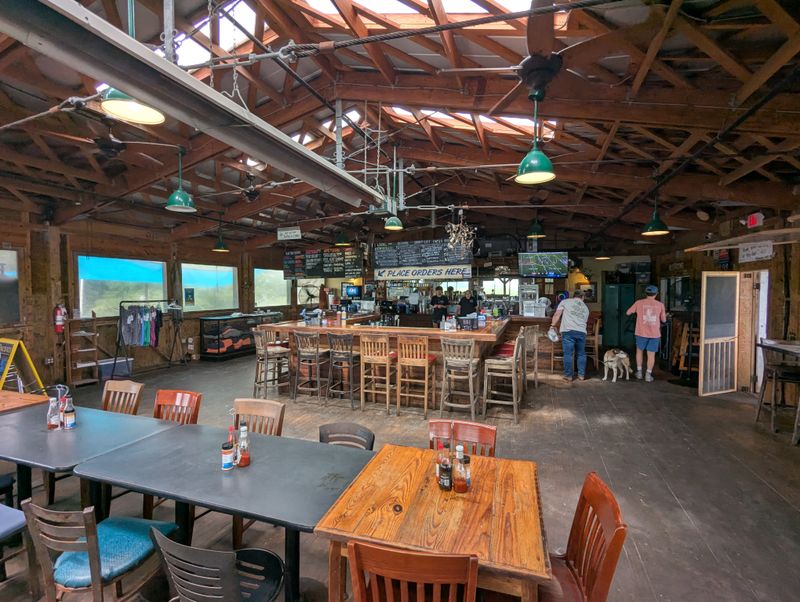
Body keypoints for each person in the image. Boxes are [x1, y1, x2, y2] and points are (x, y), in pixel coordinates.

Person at [626, 284, 667, 382]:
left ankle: (639, 373)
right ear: (656, 294)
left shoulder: (638, 303)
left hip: (641, 332)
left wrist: (637, 312)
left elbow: (628, 312)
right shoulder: (660, 305)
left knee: (639, 352)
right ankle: (648, 375)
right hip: (654, 334)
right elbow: (664, 320)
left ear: (646, 293)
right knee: (651, 354)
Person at [550, 290, 590, 382]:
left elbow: (557, 315)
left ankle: (568, 376)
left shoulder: (565, 301)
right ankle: (581, 375)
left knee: (568, 354)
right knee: (581, 354)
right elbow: (585, 321)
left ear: (574, 296)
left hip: (568, 331)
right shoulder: (586, 308)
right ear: (582, 298)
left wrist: (552, 326)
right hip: (582, 332)